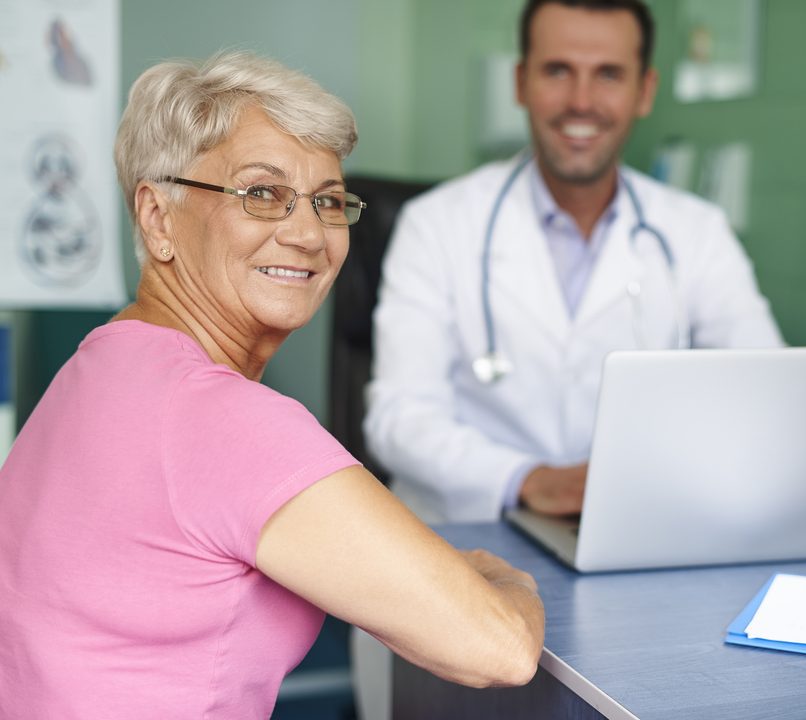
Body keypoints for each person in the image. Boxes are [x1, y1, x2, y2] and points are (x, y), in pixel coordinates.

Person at [0, 51, 544, 720]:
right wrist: (506, 576)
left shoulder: (97, 370)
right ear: (157, 218)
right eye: (262, 194)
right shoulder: (218, 416)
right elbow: (501, 645)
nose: (311, 234)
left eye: (328, 201)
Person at [364, 0, 784, 525]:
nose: (581, 102)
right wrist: (530, 479)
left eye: (608, 74)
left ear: (645, 92)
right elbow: (399, 419)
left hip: (638, 526)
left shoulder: (696, 232)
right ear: (520, 83)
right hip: (466, 538)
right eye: (558, 71)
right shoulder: (436, 223)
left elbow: (766, 399)